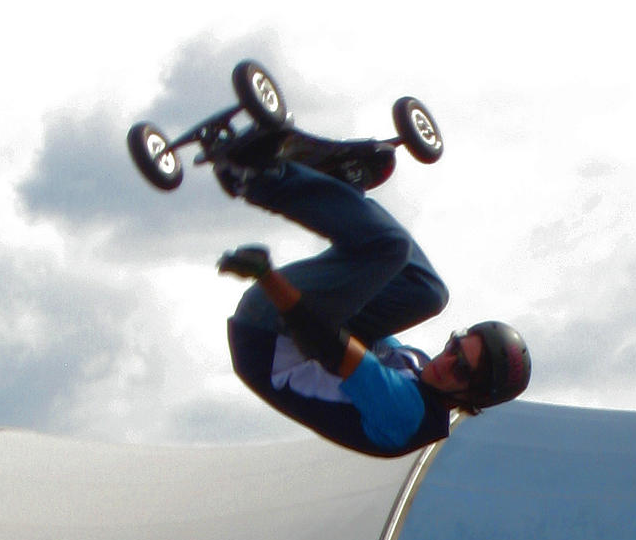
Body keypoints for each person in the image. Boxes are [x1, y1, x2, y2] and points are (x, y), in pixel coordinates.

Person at [215, 156, 531, 457]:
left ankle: (258, 179)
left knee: (389, 250)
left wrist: (265, 276)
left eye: (461, 369)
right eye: (454, 346)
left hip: (268, 337)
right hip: (300, 336)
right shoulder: (417, 369)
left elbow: (325, 341)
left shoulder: (405, 414)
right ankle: (341, 187)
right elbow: (363, 322)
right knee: (429, 294)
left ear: (471, 398)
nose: (446, 360)